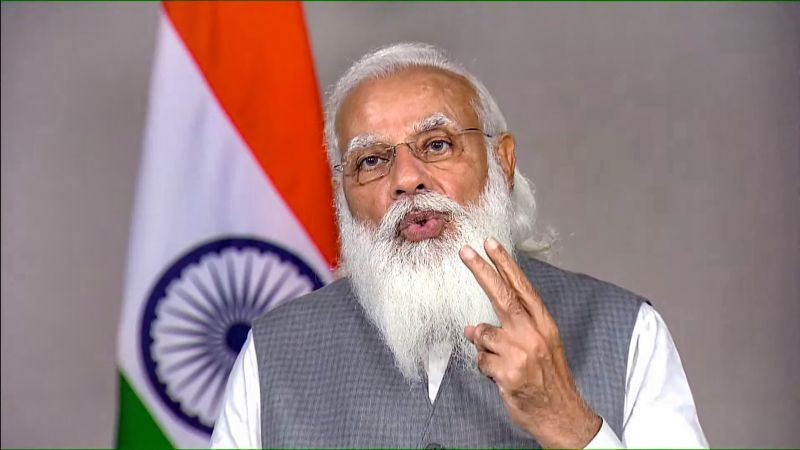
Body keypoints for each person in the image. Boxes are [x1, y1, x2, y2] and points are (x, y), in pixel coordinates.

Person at [210, 43, 707, 448]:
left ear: (502, 163)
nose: (406, 179)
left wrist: (569, 425)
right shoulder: (273, 353)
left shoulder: (624, 331)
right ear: (343, 194)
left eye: (437, 145)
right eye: (371, 161)